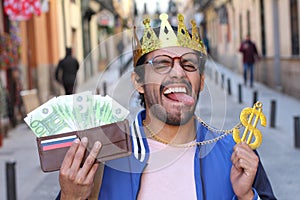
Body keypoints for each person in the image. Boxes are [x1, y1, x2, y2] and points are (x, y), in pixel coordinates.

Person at [57, 13, 276, 199]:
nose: (179, 72)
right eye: (162, 63)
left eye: (189, 64)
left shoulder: (235, 154)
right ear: (138, 82)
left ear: (201, 81)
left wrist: (247, 197)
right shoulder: (102, 158)